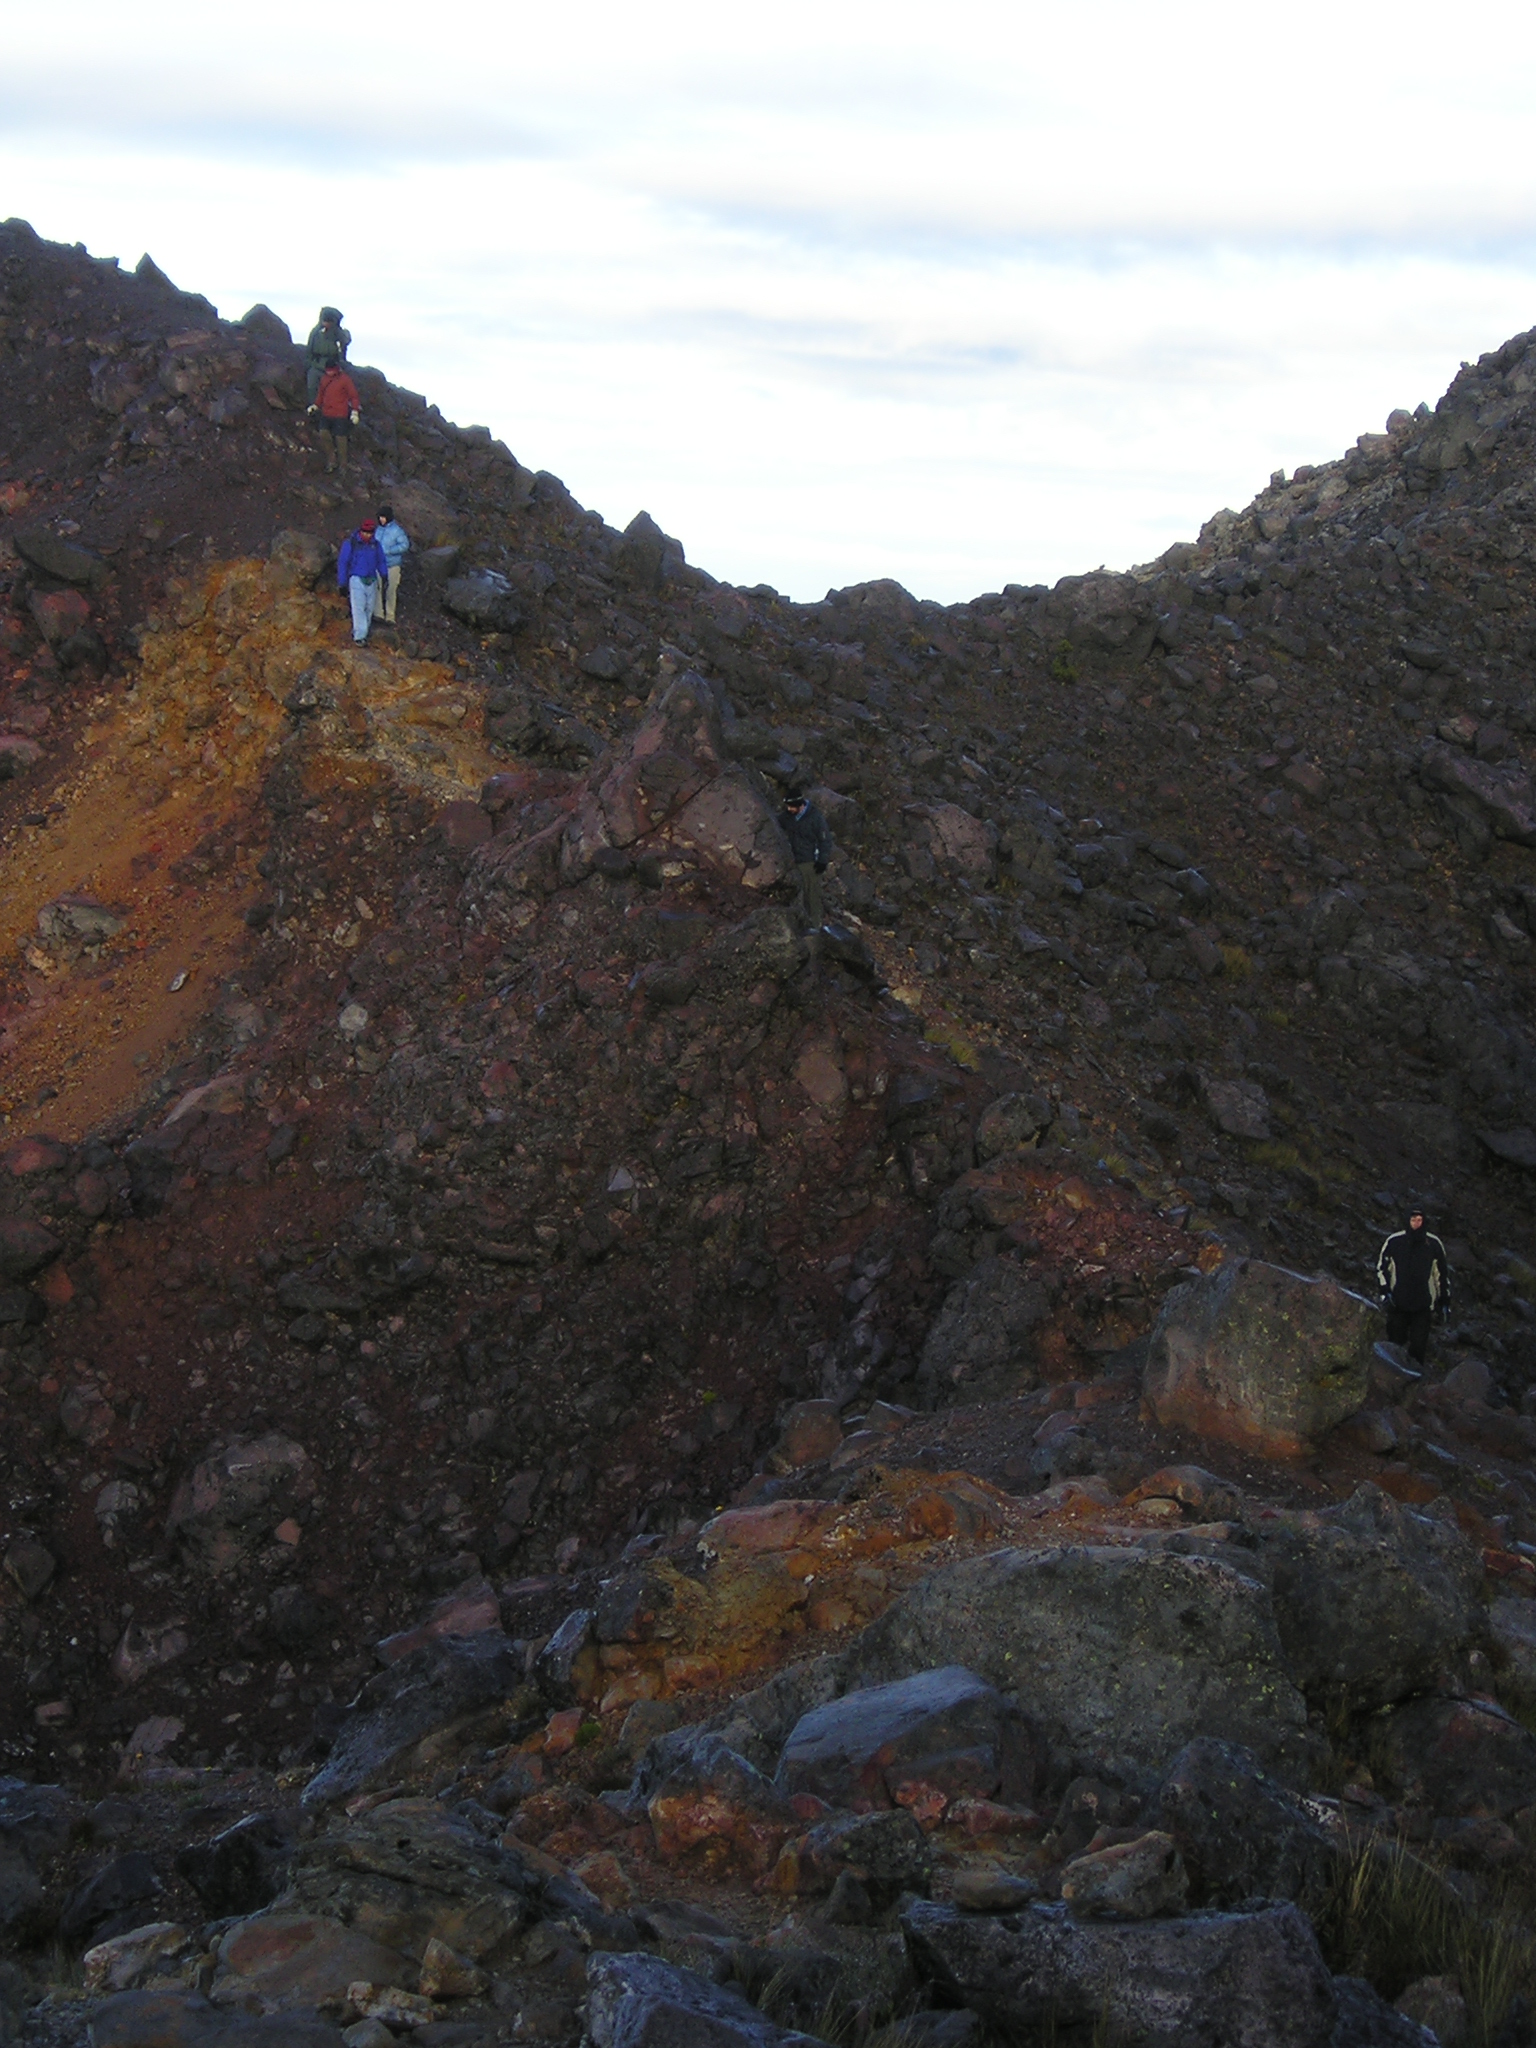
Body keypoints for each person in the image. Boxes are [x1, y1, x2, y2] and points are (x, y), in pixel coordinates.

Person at [1376, 1204, 1451, 1366]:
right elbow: (1382, 1269)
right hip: (1398, 1303)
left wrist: (1444, 1302)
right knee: (1394, 1346)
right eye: (1413, 1220)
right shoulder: (1394, 1241)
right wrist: (1385, 1293)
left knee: (1418, 1348)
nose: (1416, 1223)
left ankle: (1415, 1383)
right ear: (1407, 1220)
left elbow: (1442, 1275)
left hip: (1423, 1305)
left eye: (1420, 1220)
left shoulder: (1433, 1244)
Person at [782, 787, 832, 928]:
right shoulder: (786, 817)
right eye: (788, 806)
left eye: (792, 806)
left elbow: (825, 840)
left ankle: (816, 928)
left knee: (813, 898)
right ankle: (802, 928)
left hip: (810, 863)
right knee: (798, 898)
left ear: (800, 804)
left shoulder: (815, 817)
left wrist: (822, 860)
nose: (789, 809)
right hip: (793, 862)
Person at [337, 518, 388, 644]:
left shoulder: (375, 545)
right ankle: (360, 636)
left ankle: (361, 632)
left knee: (369, 608)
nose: (367, 535)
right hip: (356, 578)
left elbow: (381, 561)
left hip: (372, 579)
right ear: (361, 530)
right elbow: (343, 563)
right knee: (358, 607)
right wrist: (342, 582)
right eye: (365, 532)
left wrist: (384, 575)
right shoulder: (351, 543)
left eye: (370, 532)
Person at [311, 362, 361, 474]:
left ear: (336, 369)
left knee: (341, 439)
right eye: (327, 370)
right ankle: (331, 459)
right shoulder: (324, 379)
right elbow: (321, 394)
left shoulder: (345, 379)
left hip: (340, 414)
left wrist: (355, 411)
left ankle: (343, 465)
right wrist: (316, 405)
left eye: (331, 370)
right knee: (323, 434)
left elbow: (354, 396)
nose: (329, 372)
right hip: (326, 413)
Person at [305, 306, 351, 404]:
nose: (326, 324)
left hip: (333, 365)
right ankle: (313, 408)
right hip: (317, 365)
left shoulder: (338, 333)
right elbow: (310, 349)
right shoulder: (316, 332)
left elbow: (343, 348)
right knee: (312, 384)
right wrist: (311, 363)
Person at [375, 505, 411, 625]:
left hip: (393, 565)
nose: (381, 520)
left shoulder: (397, 531)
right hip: (378, 564)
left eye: (383, 517)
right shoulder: (378, 530)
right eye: (380, 517)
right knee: (377, 587)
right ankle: (378, 613)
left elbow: (405, 545)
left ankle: (390, 615)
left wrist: (390, 550)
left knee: (391, 589)